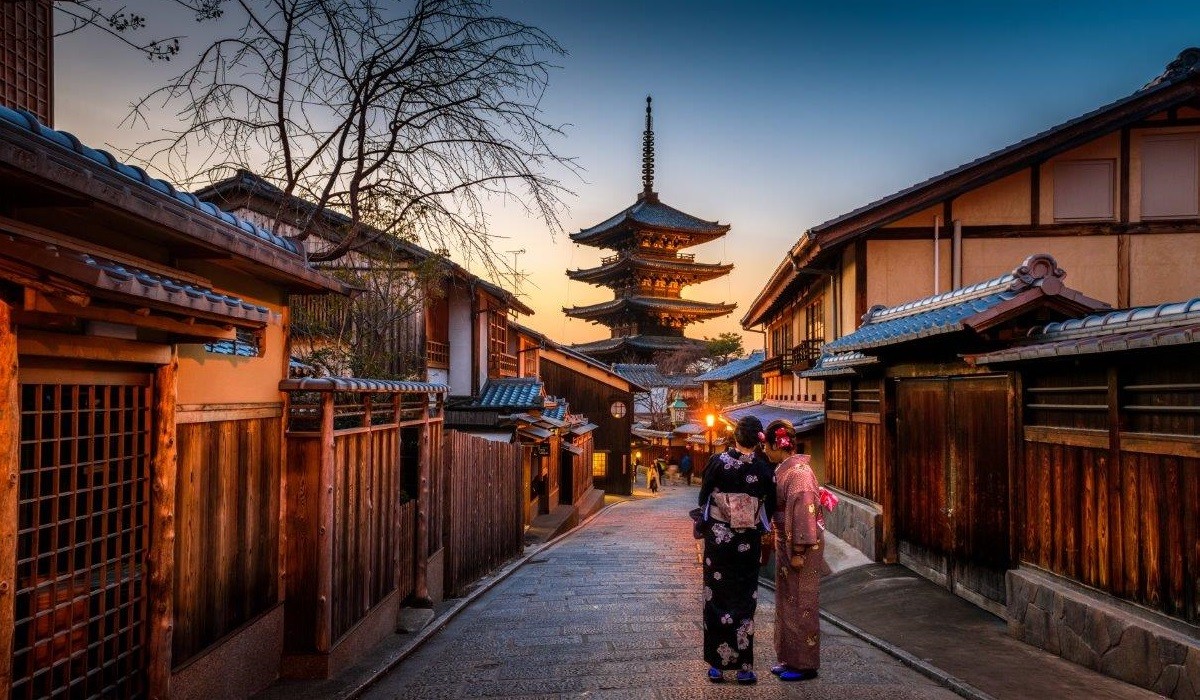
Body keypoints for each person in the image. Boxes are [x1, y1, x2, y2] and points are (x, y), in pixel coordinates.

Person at [697, 415, 776, 685]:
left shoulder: (717, 462)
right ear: (758, 440)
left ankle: (717, 666)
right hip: (747, 542)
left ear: (735, 436)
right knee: (744, 599)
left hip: (719, 542)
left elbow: (704, 496)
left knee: (716, 597)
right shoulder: (764, 467)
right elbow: (770, 502)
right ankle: (745, 667)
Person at [764, 419, 825, 682]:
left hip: (801, 546)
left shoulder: (798, 474)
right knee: (787, 601)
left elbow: (803, 513)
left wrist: (799, 550)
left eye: (767, 446)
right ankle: (789, 657)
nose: (765, 451)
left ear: (778, 444)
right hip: (787, 541)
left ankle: (805, 664)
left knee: (802, 603)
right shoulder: (786, 469)